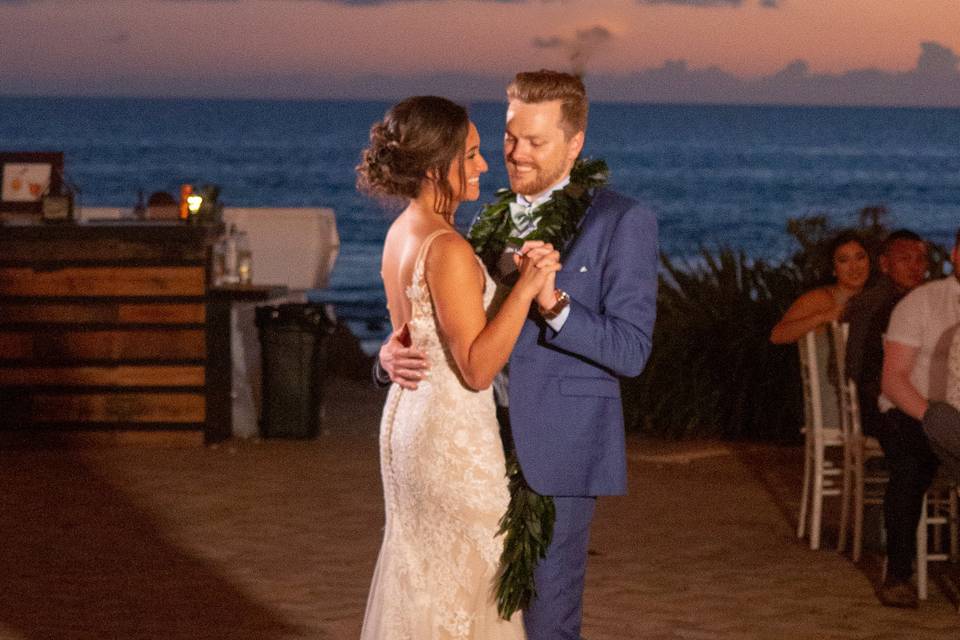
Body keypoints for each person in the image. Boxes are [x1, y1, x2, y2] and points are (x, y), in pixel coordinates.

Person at [377, 71, 658, 640]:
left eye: (535, 141)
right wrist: (387, 357)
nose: (514, 154)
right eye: (509, 138)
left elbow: (631, 351)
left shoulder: (621, 221)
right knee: (470, 611)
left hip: (555, 453)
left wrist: (554, 306)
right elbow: (440, 323)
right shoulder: (479, 220)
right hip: (469, 452)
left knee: (545, 623)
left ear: (575, 144)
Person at [356, 96, 562, 639]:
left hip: (409, 423)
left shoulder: (403, 230)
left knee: (425, 579)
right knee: (471, 583)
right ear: (433, 166)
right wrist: (525, 289)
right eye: (470, 155)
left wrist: (383, 355)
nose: (483, 165)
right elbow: (476, 368)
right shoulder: (445, 247)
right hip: (450, 437)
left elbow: (409, 334)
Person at [840, 229, 930, 608]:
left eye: (921, 259)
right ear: (886, 264)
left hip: (932, 404)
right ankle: (898, 572)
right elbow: (857, 369)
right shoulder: (874, 304)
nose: (916, 266)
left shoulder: (934, 301)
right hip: (885, 407)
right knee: (912, 464)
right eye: (906, 258)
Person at [879, 227, 960, 608]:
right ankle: (897, 573)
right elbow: (894, 380)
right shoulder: (923, 302)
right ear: (955, 255)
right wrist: (934, 418)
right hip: (914, 409)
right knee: (911, 466)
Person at [770, 230, 871, 345]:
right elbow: (777, 335)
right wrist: (823, 317)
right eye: (844, 260)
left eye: (860, 258)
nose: (854, 267)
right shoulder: (819, 298)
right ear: (833, 269)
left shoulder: (877, 296)